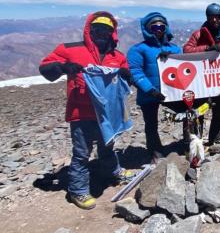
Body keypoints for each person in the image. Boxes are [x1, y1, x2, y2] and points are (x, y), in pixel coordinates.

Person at [39, 11, 135, 210]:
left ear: (112, 33)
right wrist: (64, 67)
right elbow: (45, 67)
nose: (101, 33)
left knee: (107, 145)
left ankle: (112, 171)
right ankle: (78, 190)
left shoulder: (117, 56)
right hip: (81, 113)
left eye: (106, 30)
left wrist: (126, 75)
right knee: (82, 153)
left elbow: (127, 79)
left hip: (107, 115)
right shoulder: (70, 50)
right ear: (89, 30)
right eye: (97, 29)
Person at [127, 12, 182, 160]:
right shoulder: (137, 49)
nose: (158, 30)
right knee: (151, 124)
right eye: (154, 27)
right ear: (147, 29)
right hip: (149, 94)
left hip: (172, 93)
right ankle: (155, 151)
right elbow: (135, 73)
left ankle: (188, 140)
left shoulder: (175, 49)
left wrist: (170, 57)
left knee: (187, 112)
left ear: (166, 28)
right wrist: (150, 90)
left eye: (161, 26)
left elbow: (183, 69)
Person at [183, 3, 220, 145]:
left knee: (219, 113)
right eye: (211, 17)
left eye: (218, 17)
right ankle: (195, 142)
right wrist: (206, 48)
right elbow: (186, 50)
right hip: (200, 82)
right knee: (197, 111)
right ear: (207, 18)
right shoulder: (198, 34)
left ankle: (214, 141)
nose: (215, 20)